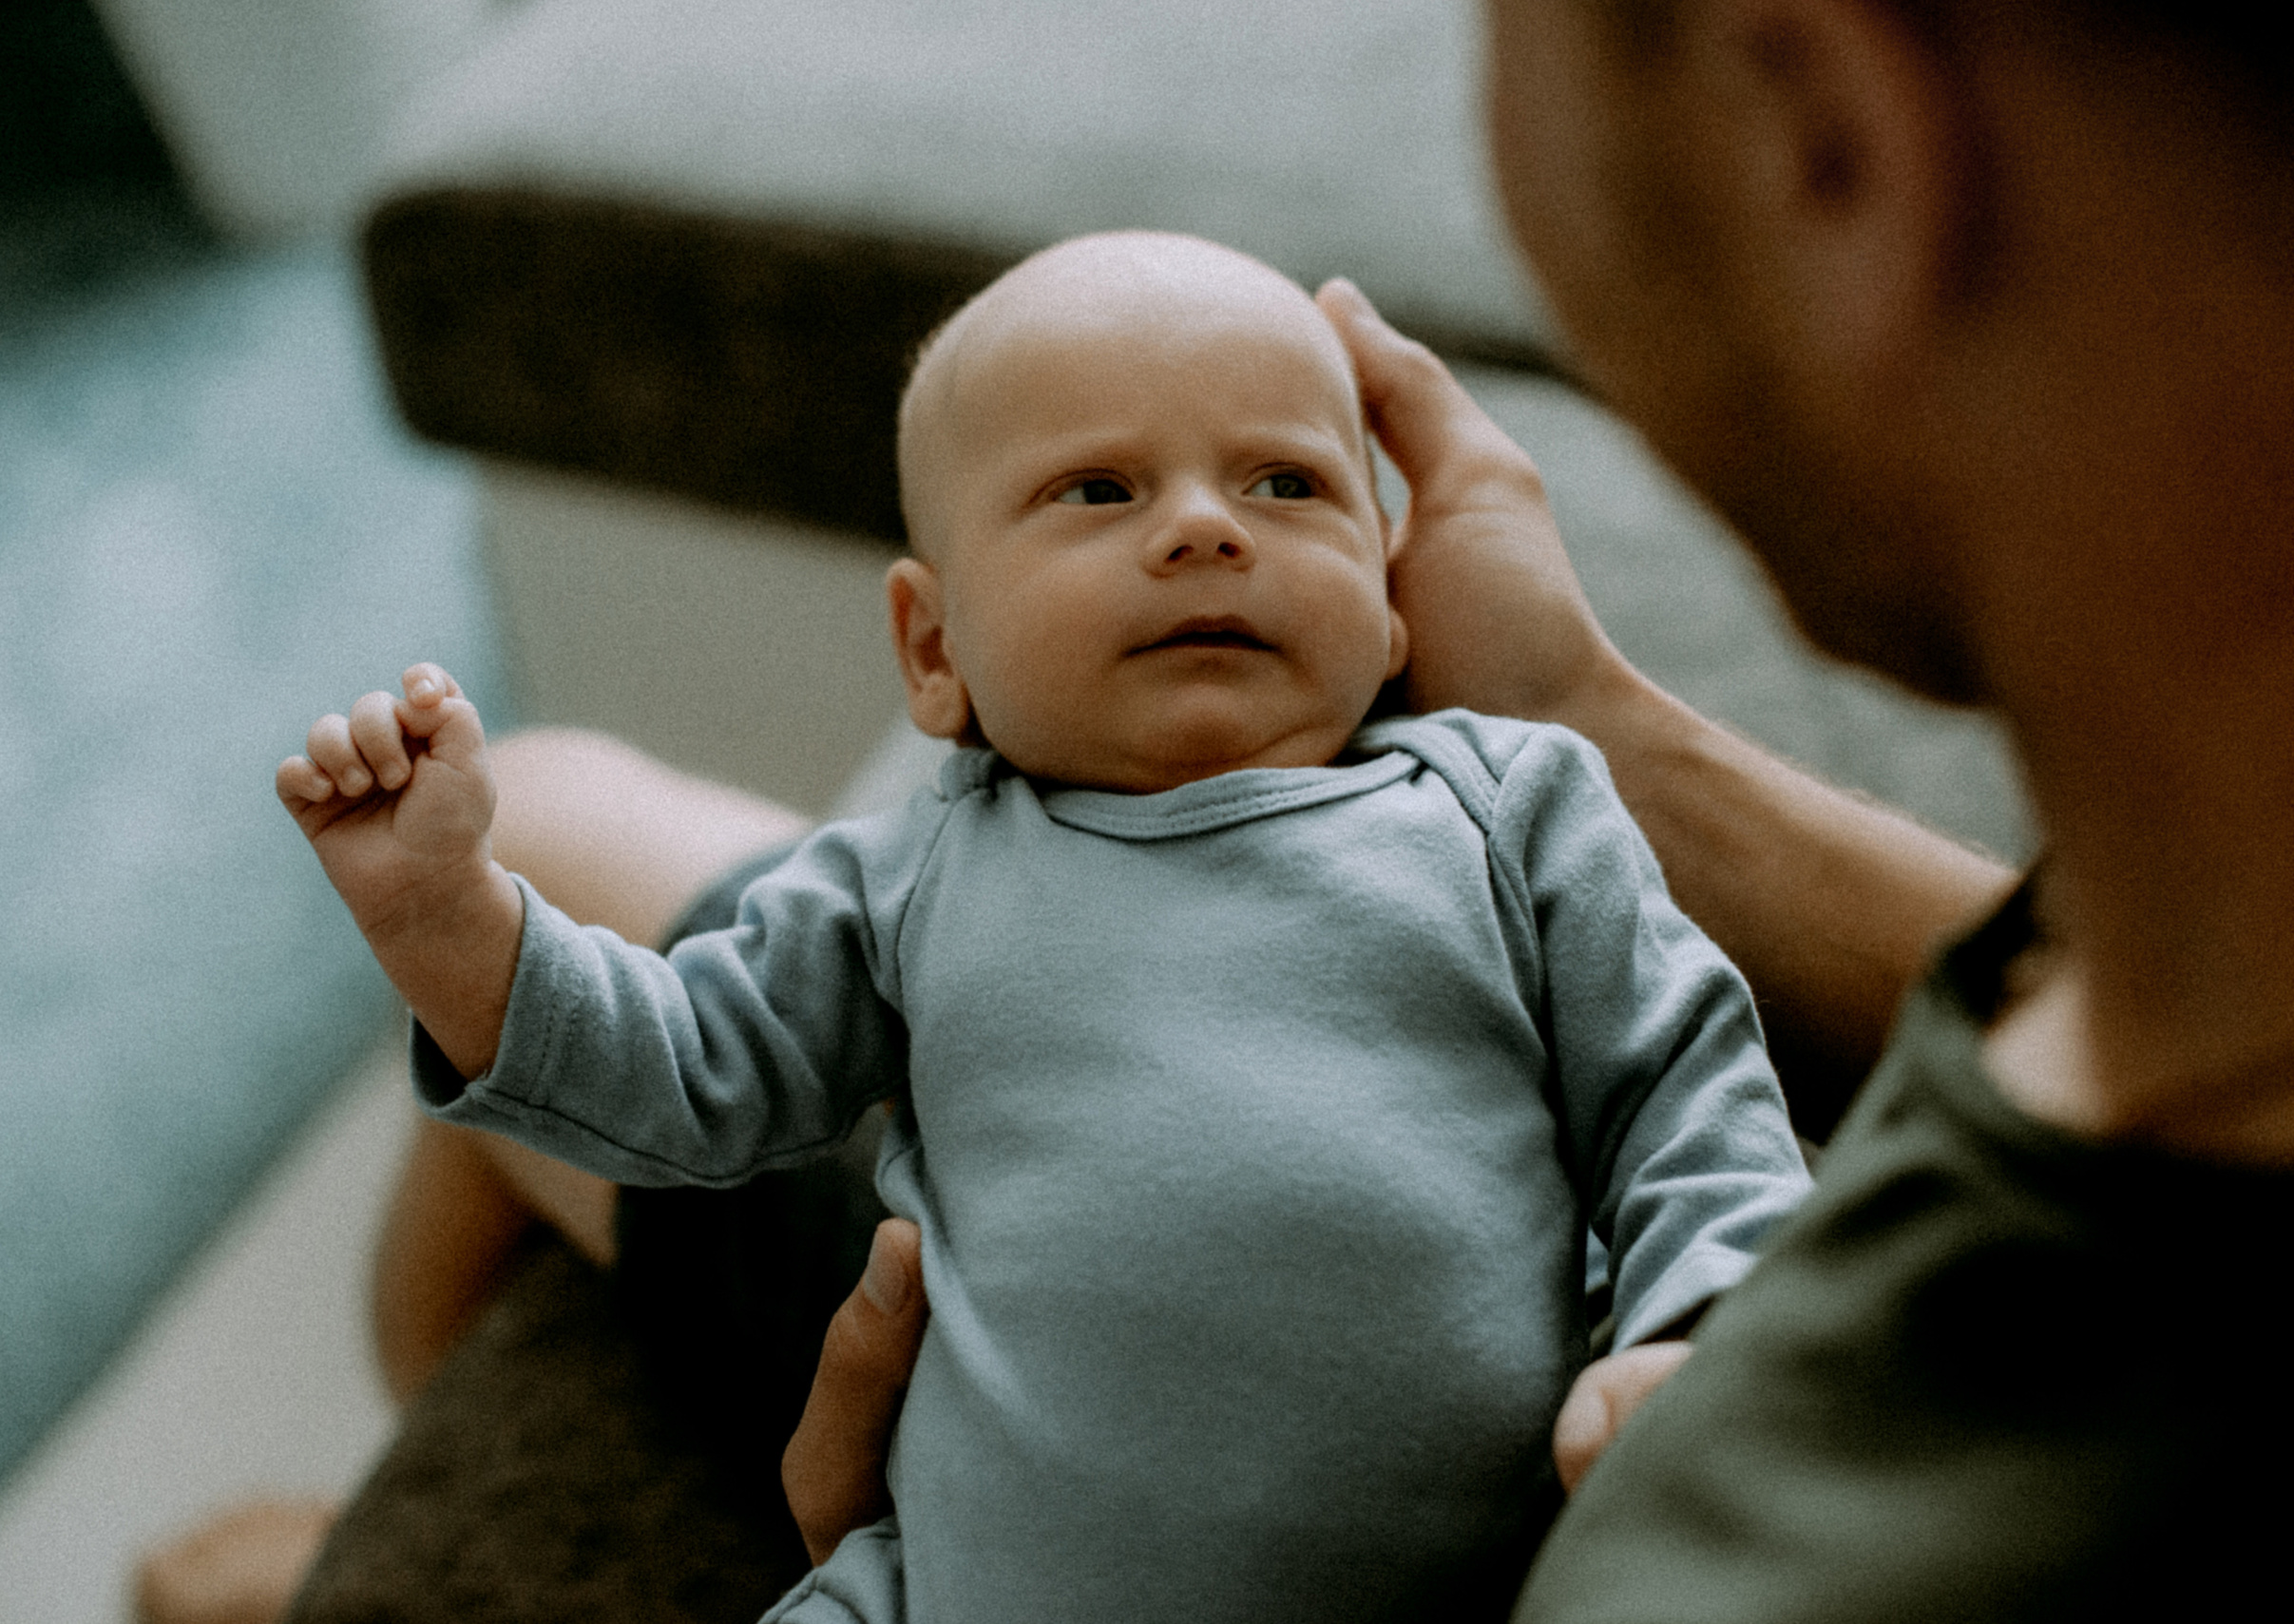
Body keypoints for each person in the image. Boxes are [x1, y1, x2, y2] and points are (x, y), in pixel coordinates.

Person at [272, 232, 1812, 1624]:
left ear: (1395, 607)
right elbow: (679, 1071)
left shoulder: (1507, 805)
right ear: (934, 649)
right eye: (1101, 491)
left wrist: (1697, 1335)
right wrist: (452, 921)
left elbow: (1689, 1090)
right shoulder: (905, 882)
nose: (1208, 529)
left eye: (1289, 484)